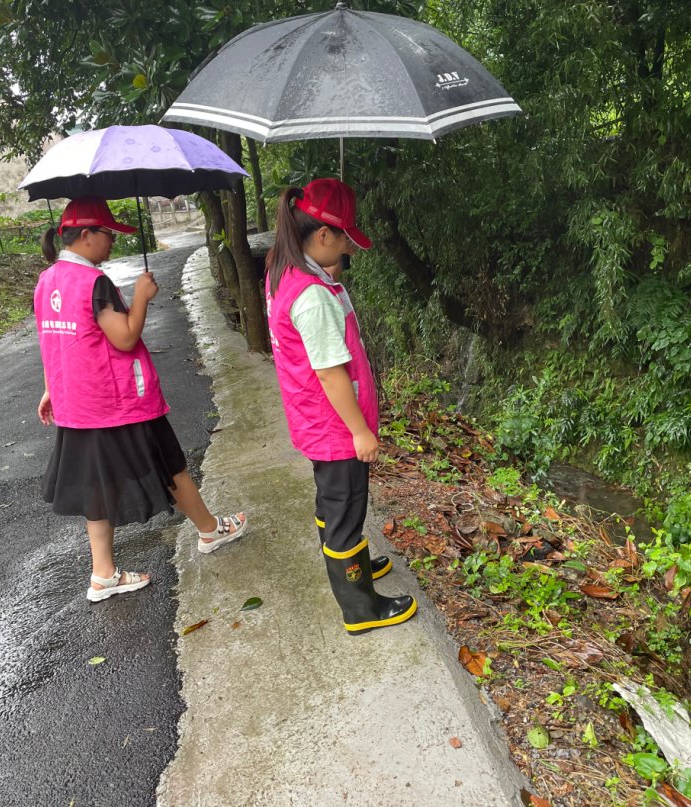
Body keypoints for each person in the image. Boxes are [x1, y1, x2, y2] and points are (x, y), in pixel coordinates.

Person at [34, 196, 248, 602]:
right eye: (108, 234)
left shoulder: (47, 280)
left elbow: (55, 340)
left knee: (99, 486)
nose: (112, 241)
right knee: (171, 465)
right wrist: (143, 297)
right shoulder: (94, 284)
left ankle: (104, 574)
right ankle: (209, 530)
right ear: (86, 236)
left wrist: (51, 388)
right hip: (116, 401)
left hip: (77, 405)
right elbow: (125, 336)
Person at [265, 178, 416, 635]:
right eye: (346, 237)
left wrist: (331, 277)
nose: (350, 247)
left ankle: (351, 564)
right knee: (347, 509)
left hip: (312, 418)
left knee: (333, 503)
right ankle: (360, 607)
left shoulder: (285, 269)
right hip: (335, 426)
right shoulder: (311, 296)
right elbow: (331, 372)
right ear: (323, 235)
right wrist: (361, 432)